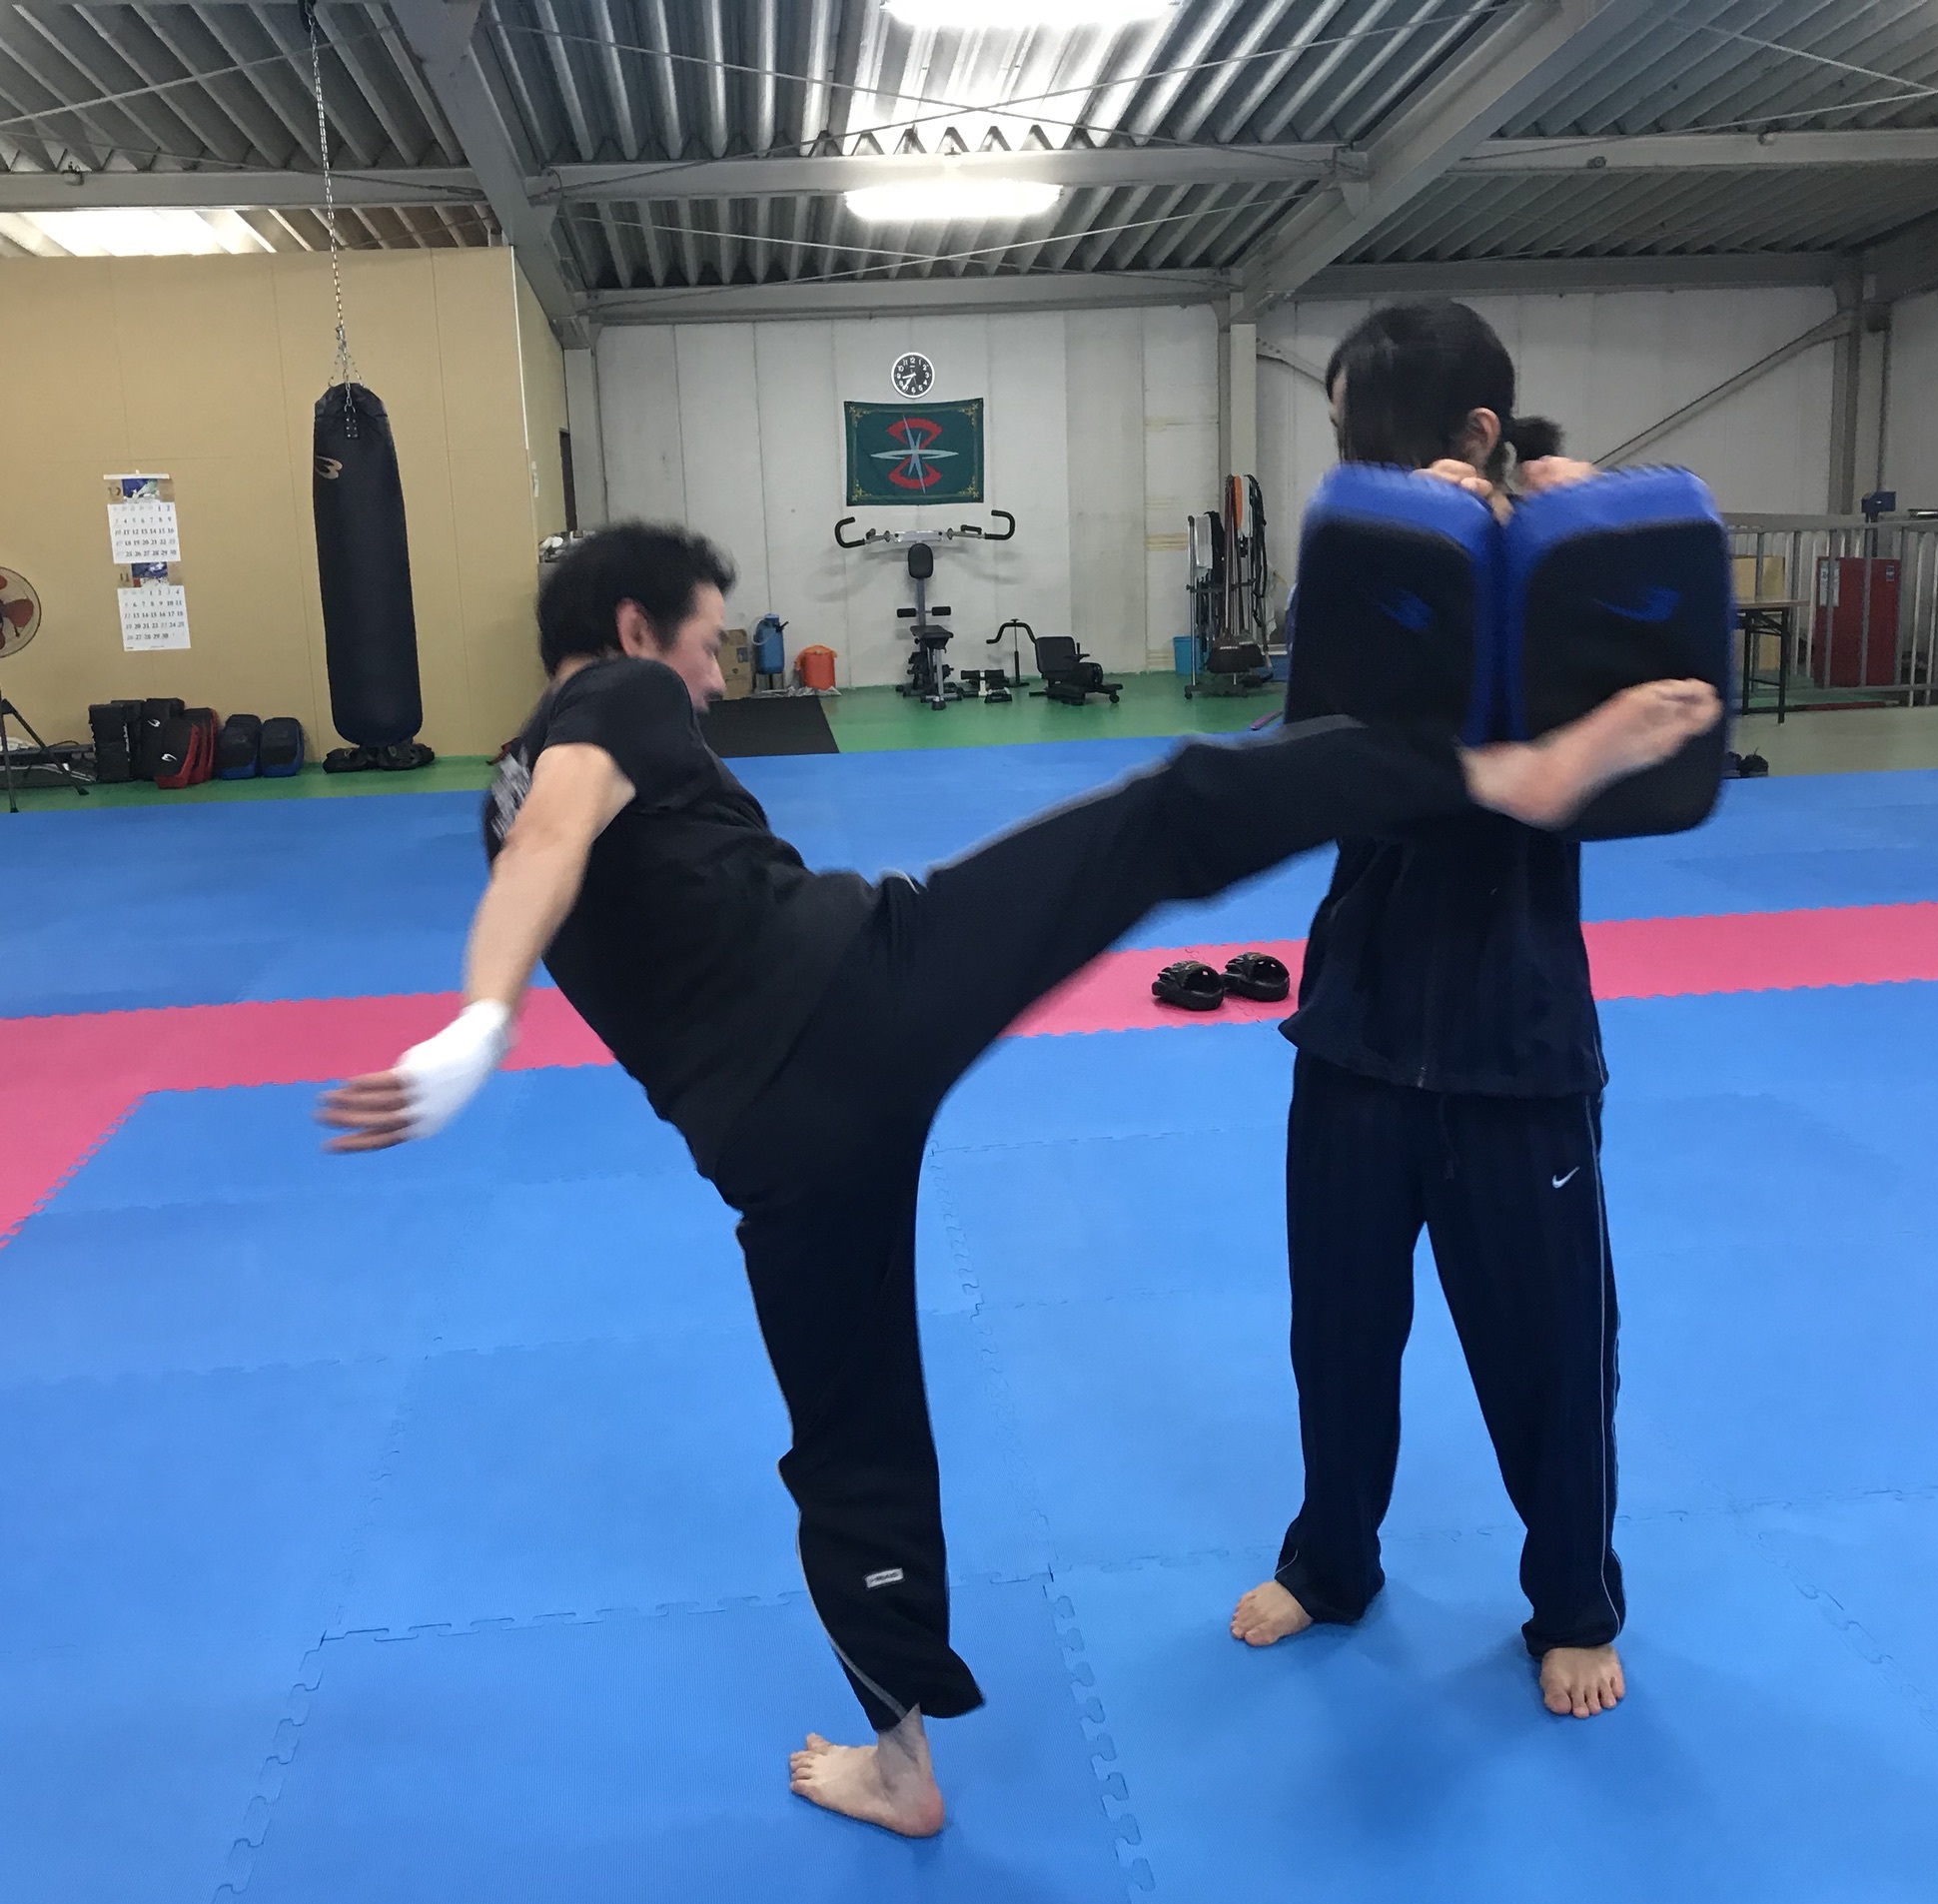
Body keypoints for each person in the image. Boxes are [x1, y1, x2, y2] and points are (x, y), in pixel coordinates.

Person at [320, 521, 1716, 1833]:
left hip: (774, 1149)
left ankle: (899, 1765)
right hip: (868, 992)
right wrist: (474, 1029)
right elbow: (562, 830)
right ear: (633, 630)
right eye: (705, 645)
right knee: (1171, 810)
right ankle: (1510, 779)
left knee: (848, 1440)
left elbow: (538, 855)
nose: (715, 677)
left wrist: (485, 1013)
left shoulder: (502, 790)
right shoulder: (613, 698)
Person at [1230, 301, 1631, 1719]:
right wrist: (1402, 557)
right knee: (1337, 1331)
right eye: (1343, 443)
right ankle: (1333, 1561)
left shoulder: (1566, 567)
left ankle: (1573, 1602)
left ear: (1476, 432)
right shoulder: (1363, 568)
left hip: (1515, 1039)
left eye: (1372, 440)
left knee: (1550, 1352)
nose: (1354, 467)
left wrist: (1559, 540)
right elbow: (1307, 742)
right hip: (1355, 1023)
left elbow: (1649, 730)